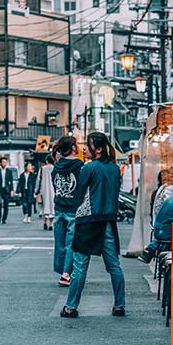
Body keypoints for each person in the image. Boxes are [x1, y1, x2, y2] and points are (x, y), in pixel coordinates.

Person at [61, 132, 126, 318]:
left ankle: (71, 307)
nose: (84, 149)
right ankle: (119, 305)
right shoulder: (114, 168)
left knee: (80, 266)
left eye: (87, 145)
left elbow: (79, 194)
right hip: (108, 220)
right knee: (114, 266)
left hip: (88, 220)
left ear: (96, 149)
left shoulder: (88, 168)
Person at [51, 136, 83, 287]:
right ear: (73, 148)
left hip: (59, 208)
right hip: (73, 209)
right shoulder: (79, 166)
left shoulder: (55, 167)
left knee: (60, 242)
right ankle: (66, 273)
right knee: (71, 243)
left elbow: (55, 186)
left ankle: (61, 269)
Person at [0, 156, 14, 224]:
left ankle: (4, 219)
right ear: (0, 163)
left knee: (6, 205)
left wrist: (12, 190)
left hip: (6, 189)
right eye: (3, 162)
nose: (4, 163)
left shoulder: (9, 171)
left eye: (5, 162)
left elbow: (11, 181)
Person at [37, 153, 56, 232]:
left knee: (44, 206)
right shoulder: (55, 168)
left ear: (47, 161)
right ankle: (51, 224)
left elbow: (38, 180)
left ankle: (45, 222)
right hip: (53, 190)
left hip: (44, 189)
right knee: (52, 207)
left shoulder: (42, 168)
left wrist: (37, 190)